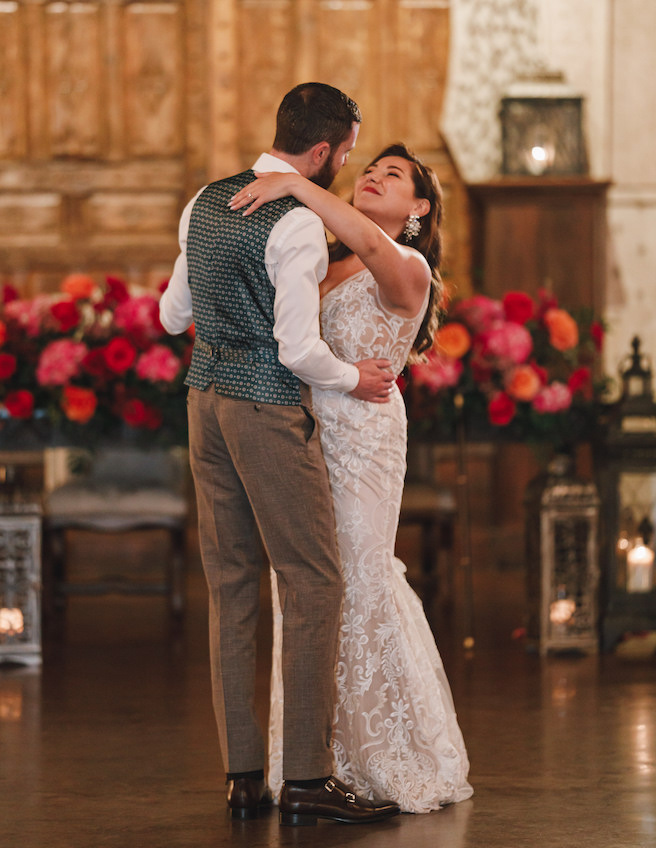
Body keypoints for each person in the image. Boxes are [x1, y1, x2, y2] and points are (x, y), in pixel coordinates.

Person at [159, 83, 401, 827]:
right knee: (314, 584)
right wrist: (355, 376)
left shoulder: (205, 198)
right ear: (322, 151)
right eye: (349, 153)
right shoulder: (294, 222)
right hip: (264, 410)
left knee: (231, 585)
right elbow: (298, 349)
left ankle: (242, 778)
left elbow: (173, 316)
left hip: (204, 403)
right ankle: (305, 778)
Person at [230, 142, 474, 813]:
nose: (372, 176)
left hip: (365, 436)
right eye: (369, 167)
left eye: (392, 175)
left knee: (361, 577)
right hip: (307, 430)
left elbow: (370, 242)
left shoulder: (410, 266)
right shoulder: (335, 261)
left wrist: (295, 184)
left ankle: (382, 755)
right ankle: (313, 758)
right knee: (308, 584)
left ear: (419, 208)